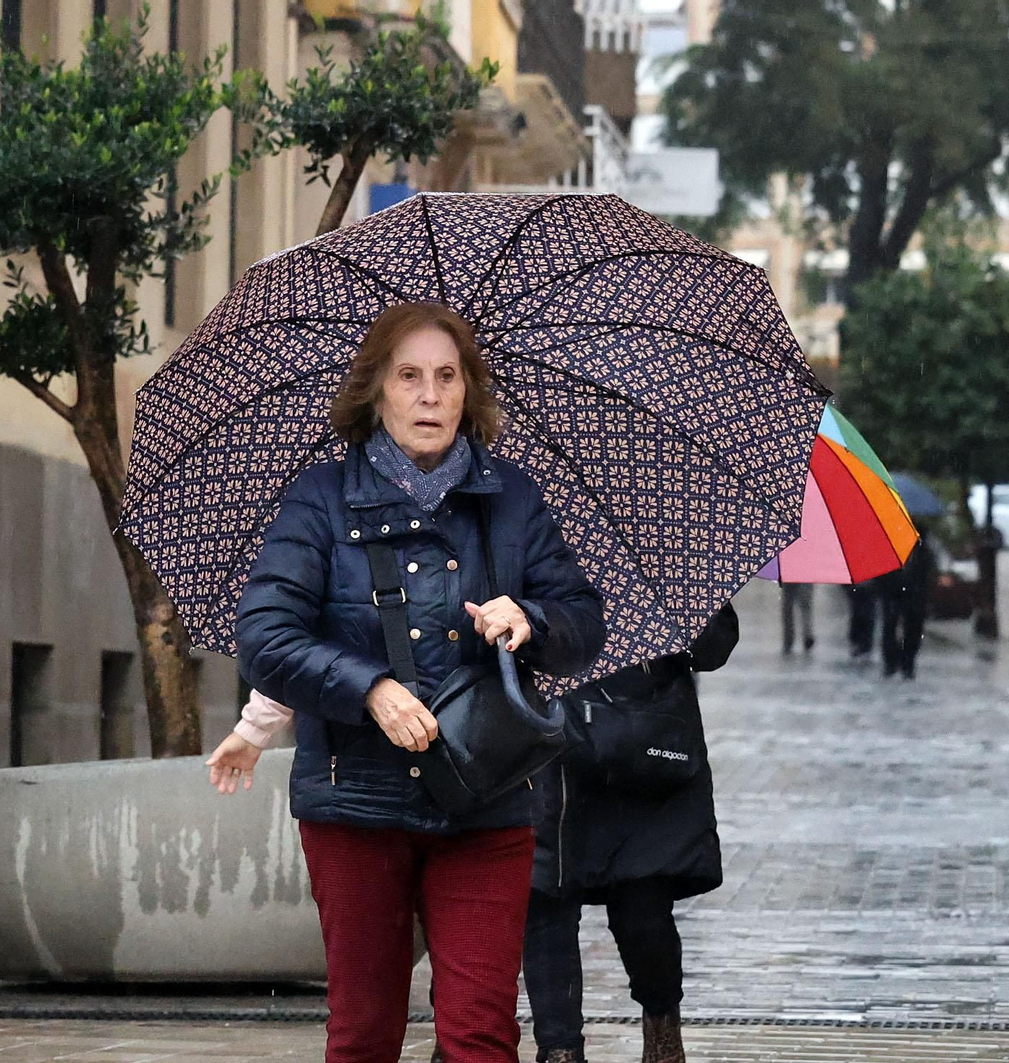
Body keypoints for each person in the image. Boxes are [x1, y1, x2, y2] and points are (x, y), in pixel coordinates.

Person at [213, 302, 607, 1063]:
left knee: (481, 1032)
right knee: (363, 1033)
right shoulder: (320, 499)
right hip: (354, 799)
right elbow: (266, 635)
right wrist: (368, 687)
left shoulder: (514, 500)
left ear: (469, 391)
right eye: (409, 376)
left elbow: (583, 622)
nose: (429, 395)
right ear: (377, 392)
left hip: (486, 796)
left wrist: (531, 618)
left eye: (447, 377)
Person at [525, 604, 740, 1063]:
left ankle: (663, 1035)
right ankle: (560, 1050)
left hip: (645, 748)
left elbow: (712, 650)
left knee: (644, 912)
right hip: (554, 746)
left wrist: (685, 603)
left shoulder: (666, 542)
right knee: (547, 904)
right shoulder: (527, 537)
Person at [878, 523, 938, 679]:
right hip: (893, 593)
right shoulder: (890, 547)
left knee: (913, 629)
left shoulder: (924, 552)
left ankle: (907, 662)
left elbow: (929, 574)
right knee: (890, 626)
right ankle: (891, 662)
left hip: (915, 596)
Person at [847, 577, 883, 660]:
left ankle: (863, 642)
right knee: (861, 609)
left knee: (865, 609)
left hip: (868, 584)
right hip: (859, 584)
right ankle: (861, 641)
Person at [780, 583, 814, 654]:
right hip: (805, 574)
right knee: (805, 604)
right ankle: (807, 633)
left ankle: (789, 638)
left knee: (788, 605)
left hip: (789, 575)